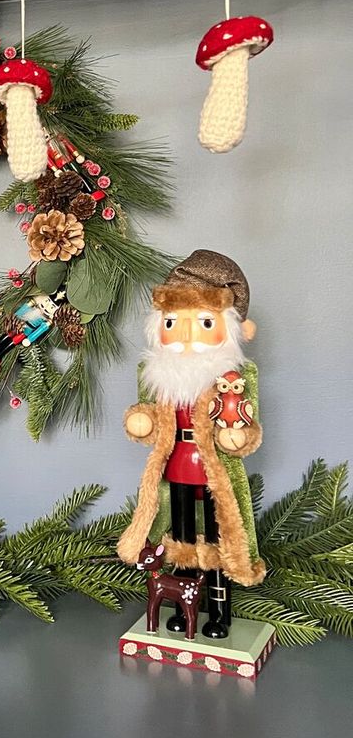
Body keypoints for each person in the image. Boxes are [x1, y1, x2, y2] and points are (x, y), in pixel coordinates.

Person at [117, 250, 264, 638]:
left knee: (219, 538)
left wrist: (237, 436)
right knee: (180, 538)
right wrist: (143, 421)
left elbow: (248, 424)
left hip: (215, 472)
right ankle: (185, 610)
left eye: (203, 323)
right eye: (172, 322)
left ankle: (219, 610)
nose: (184, 335)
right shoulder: (155, 374)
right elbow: (150, 418)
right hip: (177, 467)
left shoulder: (236, 376)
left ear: (232, 328)